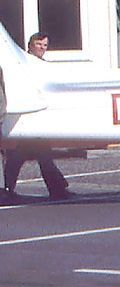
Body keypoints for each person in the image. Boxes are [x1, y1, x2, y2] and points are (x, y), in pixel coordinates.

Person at [2, 33, 71, 203]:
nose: (41, 48)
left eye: (45, 45)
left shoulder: (44, 66)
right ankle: (57, 188)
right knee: (31, 155)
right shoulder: (22, 66)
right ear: (30, 45)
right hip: (27, 116)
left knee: (30, 154)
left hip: (40, 118)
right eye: (38, 44)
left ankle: (9, 188)